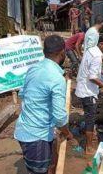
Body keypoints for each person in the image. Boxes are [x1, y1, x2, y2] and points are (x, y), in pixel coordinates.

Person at [14, 35, 75, 174]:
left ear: (44, 51)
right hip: (37, 137)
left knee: (45, 166)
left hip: (24, 130)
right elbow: (60, 117)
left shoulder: (33, 68)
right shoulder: (56, 78)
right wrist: (67, 133)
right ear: (62, 52)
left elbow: (22, 94)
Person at [75, 33, 103, 155]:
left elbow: (89, 68)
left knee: (88, 116)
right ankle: (88, 147)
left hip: (82, 88)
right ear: (101, 44)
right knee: (90, 119)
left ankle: (88, 138)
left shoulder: (90, 50)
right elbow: (92, 77)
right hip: (88, 92)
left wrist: (102, 71)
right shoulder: (97, 56)